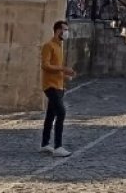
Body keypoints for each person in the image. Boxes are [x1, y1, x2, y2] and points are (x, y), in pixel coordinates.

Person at [40, 20, 75, 157]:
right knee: (61, 112)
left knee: (51, 115)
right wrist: (62, 68)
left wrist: (66, 74)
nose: (66, 32)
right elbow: (45, 65)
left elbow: (56, 67)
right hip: (51, 85)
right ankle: (58, 146)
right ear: (58, 30)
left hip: (59, 85)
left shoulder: (60, 46)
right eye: (64, 29)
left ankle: (44, 143)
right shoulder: (48, 46)